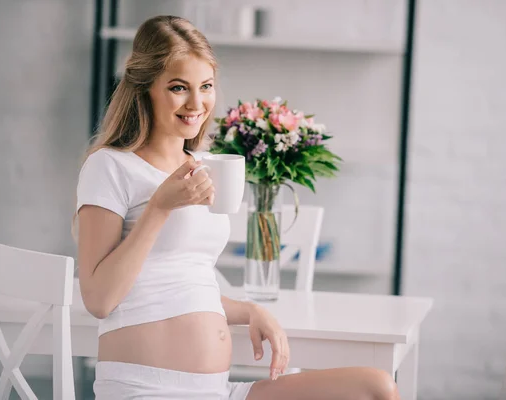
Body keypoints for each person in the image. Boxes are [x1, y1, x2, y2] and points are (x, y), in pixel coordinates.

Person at [74, 15, 399, 399]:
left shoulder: (201, 166)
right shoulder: (110, 166)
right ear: (145, 89)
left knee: (376, 388)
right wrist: (159, 209)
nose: (197, 103)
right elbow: (99, 299)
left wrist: (247, 310)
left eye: (206, 86)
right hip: (145, 388)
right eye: (179, 88)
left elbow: (184, 283)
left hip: (218, 391)